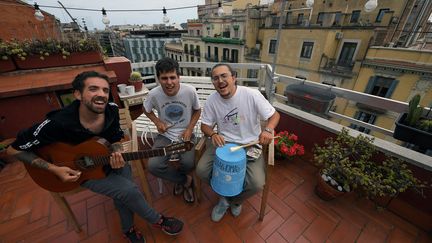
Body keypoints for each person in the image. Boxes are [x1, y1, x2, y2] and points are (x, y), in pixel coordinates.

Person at [8, 71, 183, 243]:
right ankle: (158, 220)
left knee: (124, 192)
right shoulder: (57, 124)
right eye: (93, 89)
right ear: (78, 94)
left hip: (108, 159)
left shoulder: (111, 111)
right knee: (129, 190)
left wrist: (117, 151)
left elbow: (115, 138)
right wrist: (54, 168)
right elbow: (13, 150)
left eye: (105, 90)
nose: (101, 94)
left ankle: (127, 229)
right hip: (77, 172)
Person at [196, 63, 280, 222]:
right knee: (201, 170)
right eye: (215, 78)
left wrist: (268, 130)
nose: (220, 81)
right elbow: (204, 125)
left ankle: (233, 201)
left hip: (250, 145)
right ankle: (224, 194)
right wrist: (213, 133)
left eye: (224, 76)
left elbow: (274, 116)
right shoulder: (212, 100)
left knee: (256, 183)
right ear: (213, 83)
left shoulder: (252, 95)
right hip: (223, 146)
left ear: (233, 78)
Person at [143, 57, 201, 203]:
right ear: (158, 78)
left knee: (188, 163)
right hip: (165, 136)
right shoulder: (153, 94)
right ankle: (184, 181)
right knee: (153, 166)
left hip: (185, 134)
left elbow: (197, 111)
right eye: (164, 78)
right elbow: (146, 109)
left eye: (172, 77)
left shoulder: (190, 91)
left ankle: (180, 180)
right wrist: (157, 122)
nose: (169, 83)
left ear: (178, 77)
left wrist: (189, 129)